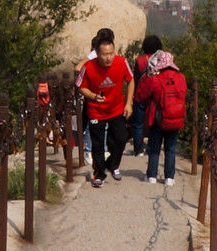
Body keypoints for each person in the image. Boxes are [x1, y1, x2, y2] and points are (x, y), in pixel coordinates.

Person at [76, 27, 135, 186]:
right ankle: (99, 173)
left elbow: (130, 80)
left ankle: (113, 165)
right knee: (97, 145)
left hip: (116, 109)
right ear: (97, 53)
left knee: (121, 139)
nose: (108, 58)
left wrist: (129, 103)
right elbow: (80, 86)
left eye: (111, 53)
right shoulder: (89, 67)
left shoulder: (121, 62)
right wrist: (93, 96)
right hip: (96, 111)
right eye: (104, 54)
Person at [137, 50, 188, 185]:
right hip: (175, 117)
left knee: (154, 147)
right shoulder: (181, 78)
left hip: (157, 118)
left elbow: (142, 96)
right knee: (171, 148)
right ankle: (169, 178)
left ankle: (152, 176)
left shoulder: (155, 79)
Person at [129, 35, 162, 159]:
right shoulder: (161, 60)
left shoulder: (139, 60)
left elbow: (136, 79)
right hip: (156, 95)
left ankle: (138, 149)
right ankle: (151, 148)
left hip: (141, 94)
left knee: (138, 123)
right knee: (154, 122)